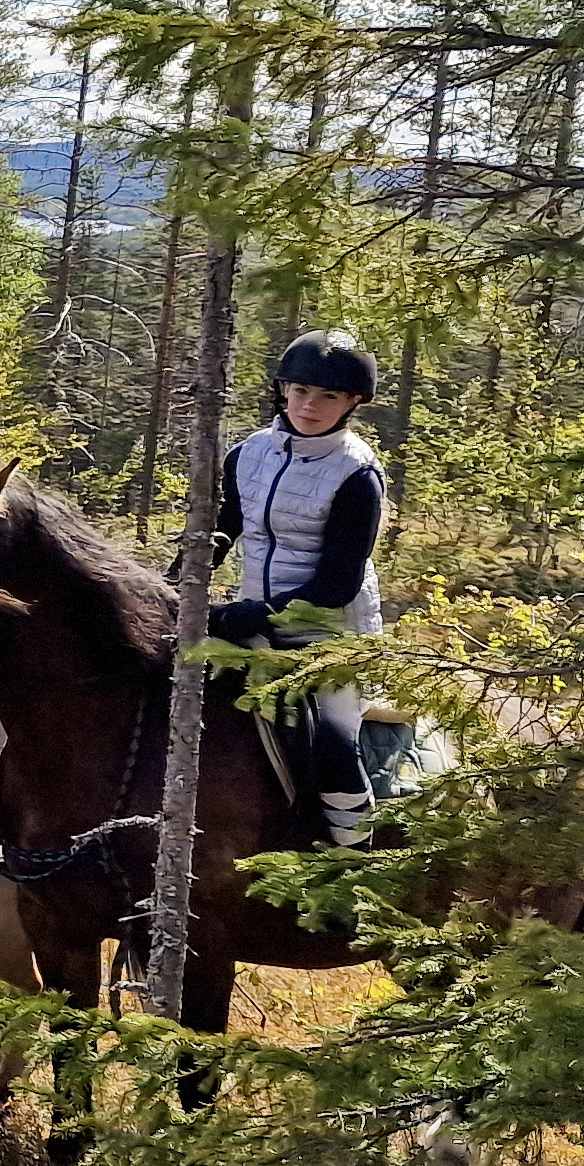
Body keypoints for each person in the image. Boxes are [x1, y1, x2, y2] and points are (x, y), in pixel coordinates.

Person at [209, 330, 388, 847]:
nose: (311, 406)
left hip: (331, 635)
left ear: (352, 402)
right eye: (302, 391)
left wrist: (259, 613)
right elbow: (224, 527)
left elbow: (338, 583)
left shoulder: (358, 476)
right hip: (249, 618)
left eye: (329, 396)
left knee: (333, 743)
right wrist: (180, 582)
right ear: (282, 389)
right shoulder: (247, 454)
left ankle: (353, 863)